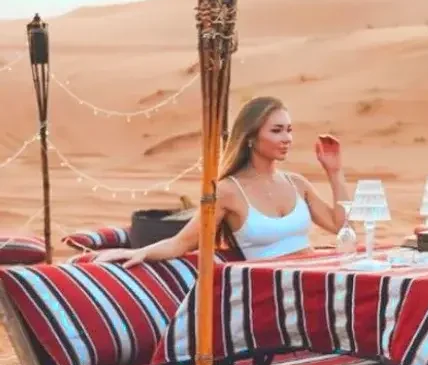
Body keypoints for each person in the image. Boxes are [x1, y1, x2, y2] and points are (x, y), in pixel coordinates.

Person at [95, 96, 349, 267]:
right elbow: (183, 242)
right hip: (271, 289)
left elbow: (342, 226)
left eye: (289, 130)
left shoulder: (297, 183)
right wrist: (138, 252)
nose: (287, 138)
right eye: (276, 130)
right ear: (250, 138)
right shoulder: (228, 191)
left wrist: (334, 172)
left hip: (313, 278)